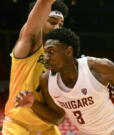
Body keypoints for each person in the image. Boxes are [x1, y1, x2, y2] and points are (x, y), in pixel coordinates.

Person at [16, 27, 114, 135]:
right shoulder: (46, 80)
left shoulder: (97, 68)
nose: (46, 57)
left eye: (51, 51)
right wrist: (33, 104)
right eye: (45, 53)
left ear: (68, 51)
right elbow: (58, 117)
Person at [2, 0, 68, 135]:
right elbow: (43, 3)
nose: (57, 28)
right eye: (52, 22)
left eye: (60, 24)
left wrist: (35, 105)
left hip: (47, 128)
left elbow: (59, 117)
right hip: (17, 126)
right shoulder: (28, 43)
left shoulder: (59, 62)